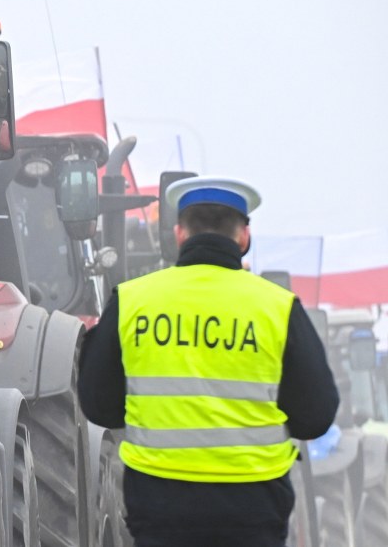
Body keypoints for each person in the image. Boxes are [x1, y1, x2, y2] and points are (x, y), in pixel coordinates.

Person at [77, 177, 338, 547]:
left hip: (159, 509)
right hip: (254, 511)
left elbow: (98, 406)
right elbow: (317, 415)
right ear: (244, 237)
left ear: (180, 234)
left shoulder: (132, 301)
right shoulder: (278, 308)